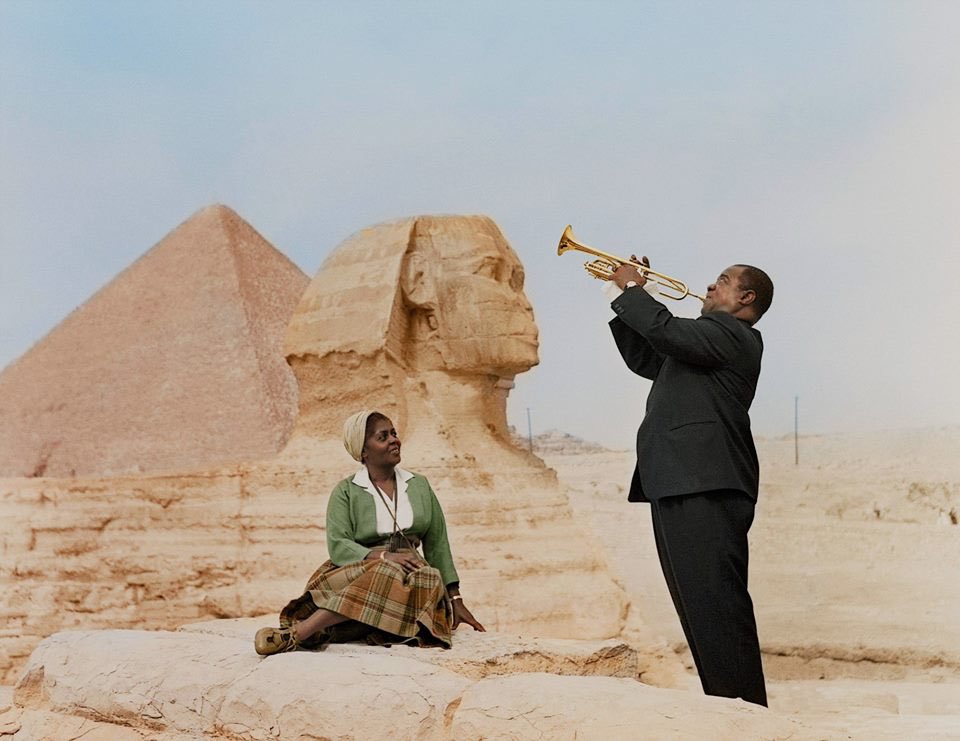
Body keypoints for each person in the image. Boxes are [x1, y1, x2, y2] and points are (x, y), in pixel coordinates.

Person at [607, 256, 774, 707]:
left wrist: (635, 291)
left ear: (746, 298)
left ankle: (747, 715)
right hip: (679, 480)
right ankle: (729, 707)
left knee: (717, 605)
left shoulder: (732, 334)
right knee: (698, 607)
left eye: (723, 281)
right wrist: (624, 293)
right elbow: (647, 356)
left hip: (705, 482)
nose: (710, 286)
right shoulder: (704, 343)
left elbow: (666, 331)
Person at [255, 410, 484, 655]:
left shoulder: (419, 485)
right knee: (386, 571)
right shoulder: (346, 491)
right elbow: (338, 544)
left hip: (412, 576)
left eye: (394, 433)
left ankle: (314, 632)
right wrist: (384, 557)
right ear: (363, 451)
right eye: (383, 437)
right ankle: (300, 633)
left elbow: (438, 545)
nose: (394, 440)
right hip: (357, 569)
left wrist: (456, 599)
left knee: (427, 577)